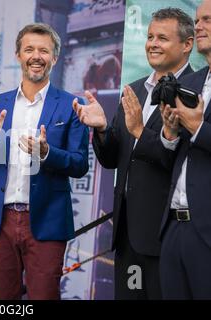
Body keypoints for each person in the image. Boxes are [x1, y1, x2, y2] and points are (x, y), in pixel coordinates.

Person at [72, 8, 194, 299]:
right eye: (150, 36)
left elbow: (179, 158)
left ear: (187, 44)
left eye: (162, 38)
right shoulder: (135, 90)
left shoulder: (195, 91)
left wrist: (141, 130)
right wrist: (102, 129)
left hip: (170, 234)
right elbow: (113, 159)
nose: (152, 44)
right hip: (127, 235)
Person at [0, 23, 89, 300]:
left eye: (44, 50)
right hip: (1, 223)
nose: (36, 56)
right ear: (18, 55)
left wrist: (47, 153)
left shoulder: (71, 105)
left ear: (54, 58)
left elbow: (80, 164)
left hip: (47, 220)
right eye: (29, 49)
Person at [158, 0, 211, 299]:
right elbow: (171, 154)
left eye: (207, 20)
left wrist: (198, 127)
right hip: (173, 229)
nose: (198, 26)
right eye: (197, 19)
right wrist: (170, 132)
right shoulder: (189, 82)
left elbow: (198, 131)